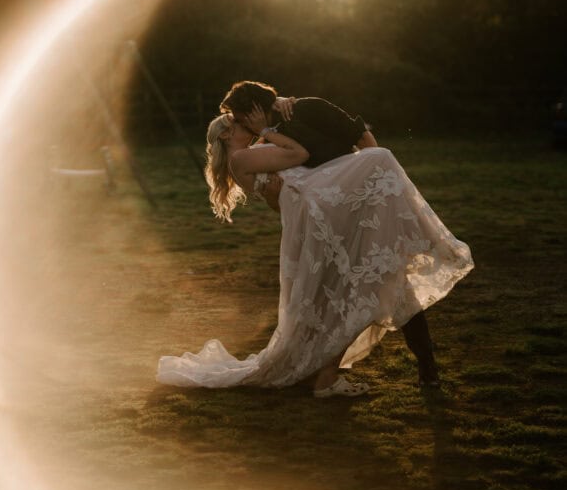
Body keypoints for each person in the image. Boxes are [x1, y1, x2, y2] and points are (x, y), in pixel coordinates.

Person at [157, 87, 474, 397]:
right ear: (227, 136)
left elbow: (286, 178)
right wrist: (268, 132)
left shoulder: (265, 141)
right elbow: (294, 165)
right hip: (320, 211)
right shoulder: (243, 158)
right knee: (379, 169)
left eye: (241, 119)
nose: (244, 126)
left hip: (324, 208)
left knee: (360, 285)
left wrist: (275, 117)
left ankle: (329, 372)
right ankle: (327, 375)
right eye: (237, 124)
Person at [221, 81, 444, 387]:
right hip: (334, 227)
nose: (240, 123)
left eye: (241, 117)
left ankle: (426, 366)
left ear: (256, 111)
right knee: (344, 295)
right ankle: (322, 371)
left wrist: (380, 191)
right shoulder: (265, 146)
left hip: (364, 212)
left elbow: (362, 137)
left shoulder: (309, 108)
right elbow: (283, 201)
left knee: (395, 280)